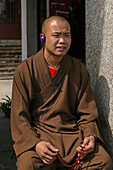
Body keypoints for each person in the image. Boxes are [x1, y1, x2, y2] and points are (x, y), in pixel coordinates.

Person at [11, 16, 112, 170]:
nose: (63, 41)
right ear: (43, 37)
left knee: (104, 161)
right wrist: (36, 144)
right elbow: (19, 116)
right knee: (27, 164)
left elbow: (87, 113)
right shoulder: (26, 70)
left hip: (73, 138)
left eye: (67, 35)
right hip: (40, 135)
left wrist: (90, 136)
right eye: (56, 35)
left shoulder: (78, 69)